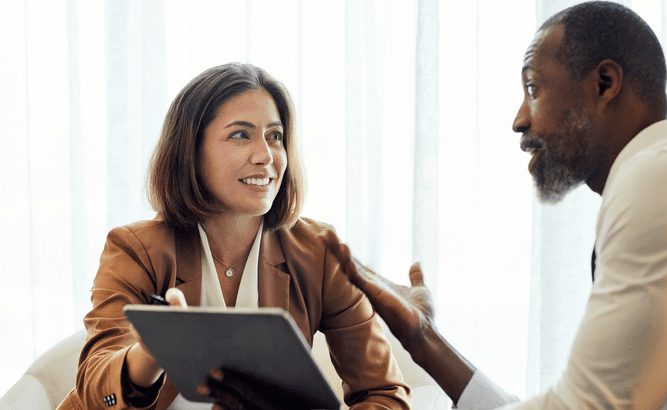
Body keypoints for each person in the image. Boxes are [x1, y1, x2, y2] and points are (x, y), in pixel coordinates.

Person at [332, 1, 667, 409]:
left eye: (532, 88)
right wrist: (424, 341)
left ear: (605, 83)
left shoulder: (664, 180)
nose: (519, 119)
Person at [57, 63, 410, 410]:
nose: (266, 155)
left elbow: (384, 394)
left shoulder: (320, 253)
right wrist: (148, 355)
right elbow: (95, 394)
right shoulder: (134, 249)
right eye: (240, 135)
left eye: (275, 136)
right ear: (190, 152)